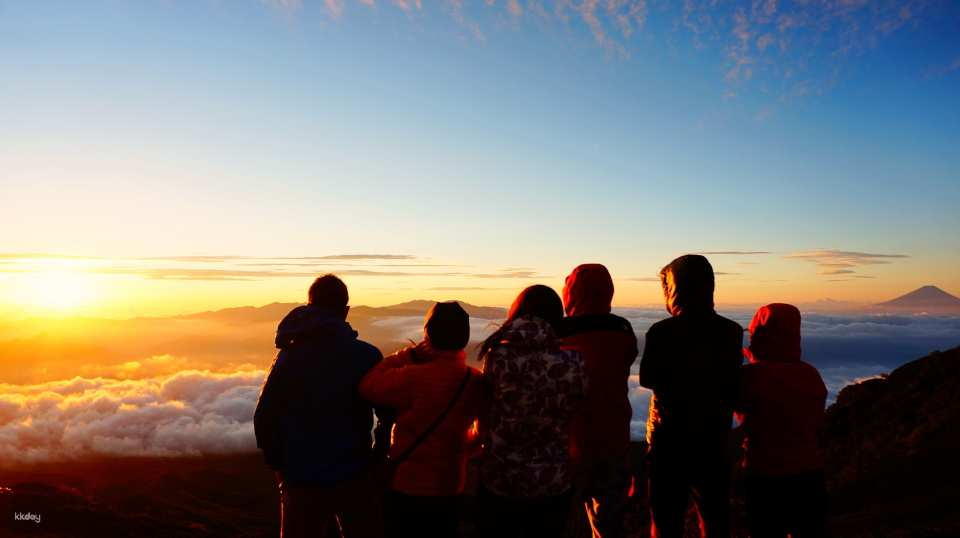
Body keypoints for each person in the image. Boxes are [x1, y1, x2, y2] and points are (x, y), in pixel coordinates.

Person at [254, 274, 389, 538]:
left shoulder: (289, 357)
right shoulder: (367, 356)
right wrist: (378, 455)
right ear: (346, 310)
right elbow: (387, 412)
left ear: (309, 307)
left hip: (300, 478)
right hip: (355, 474)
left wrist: (280, 466)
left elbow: (264, 416)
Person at [359, 301, 488, 538]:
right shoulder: (475, 380)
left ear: (428, 334)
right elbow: (483, 432)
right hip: (451, 483)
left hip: (407, 484)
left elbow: (369, 386)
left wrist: (408, 355)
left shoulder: (412, 376)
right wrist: (462, 449)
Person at [638, 254, 743, 538]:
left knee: (665, 518)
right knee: (715, 515)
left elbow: (648, 378)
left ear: (675, 288)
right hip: (713, 440)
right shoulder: (731, 331)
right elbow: (733, 384)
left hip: (669, 443)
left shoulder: (662, 331)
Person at [477, 285, 588, 538]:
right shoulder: (574, 362)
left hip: (502, 478)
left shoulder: (498, 356)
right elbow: (576, 413)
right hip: (554, 480)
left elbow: (485, 410)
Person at [557, 264, 639, 538]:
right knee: (608, 525)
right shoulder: (623, 329)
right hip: (615, 437)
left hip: (570, 442)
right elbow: (627, 358)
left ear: (570, 293)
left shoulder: (558, 331)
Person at [737, 303, 828, 538]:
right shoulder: (811, 375)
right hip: (809, 474)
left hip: (764, 475)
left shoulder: (751, 377)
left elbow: (739, 410)